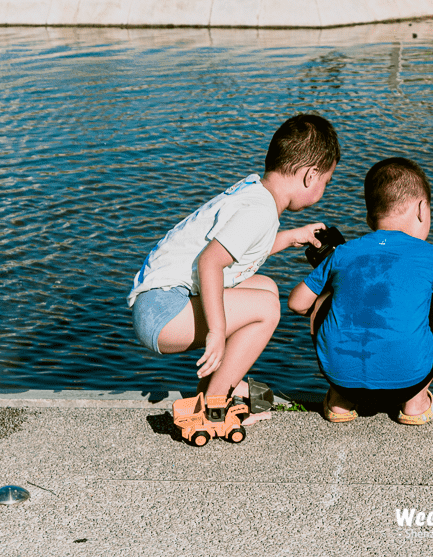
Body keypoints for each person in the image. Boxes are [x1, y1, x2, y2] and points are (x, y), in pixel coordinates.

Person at [128, 112, 339, 412]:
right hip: (162, 312)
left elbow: (242, 249)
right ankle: (213, 407)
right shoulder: (261, 212)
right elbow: (211, 262)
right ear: (311, 175)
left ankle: (211, 390)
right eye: (326, 182)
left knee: (266, 287)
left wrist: (293, 237)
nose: (324, 188)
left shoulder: (255, 192)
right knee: (267, 308)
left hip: (159, 301)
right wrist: (217, 331)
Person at [289, 156, 433, 425]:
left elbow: (296, 303)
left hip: (341, 378)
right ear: (422, 209)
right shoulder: (430, 256)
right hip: (409, 380)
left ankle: (339, 401)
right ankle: (416, 403)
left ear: (369, 216)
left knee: (325, 299)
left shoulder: (342, 253)